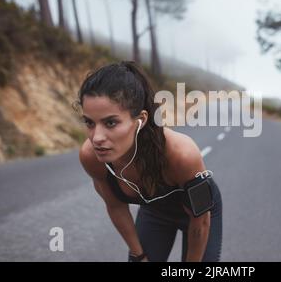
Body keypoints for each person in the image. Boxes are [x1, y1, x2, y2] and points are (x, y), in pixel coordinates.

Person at [76, 61, 222, 262]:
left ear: (141, 120)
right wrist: (139, 255)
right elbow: (116, 206)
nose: (97, 137)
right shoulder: (91, 156)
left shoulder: (182, 154)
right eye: (89, 123)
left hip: (200, 217)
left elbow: (201, 221)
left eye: (111, 122)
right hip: (155, 213)